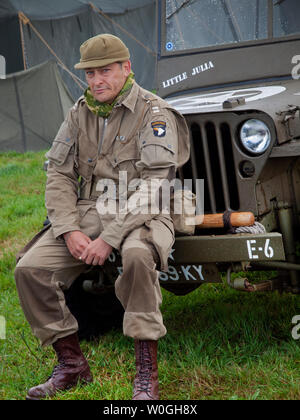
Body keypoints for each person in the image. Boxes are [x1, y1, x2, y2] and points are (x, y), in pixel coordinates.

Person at [14, 34, 190, 401]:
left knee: (138, 257)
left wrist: (109, 237)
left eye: (105, 71)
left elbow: (156, 183)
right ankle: (72, 365)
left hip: (144, 210)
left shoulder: (153, 112)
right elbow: (59, 174)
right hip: (90, 211)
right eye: (90, 73)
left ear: (127, 69)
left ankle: (146, 374)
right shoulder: (80, 112)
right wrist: (67, 230)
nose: (96, 81)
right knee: (30, 270)